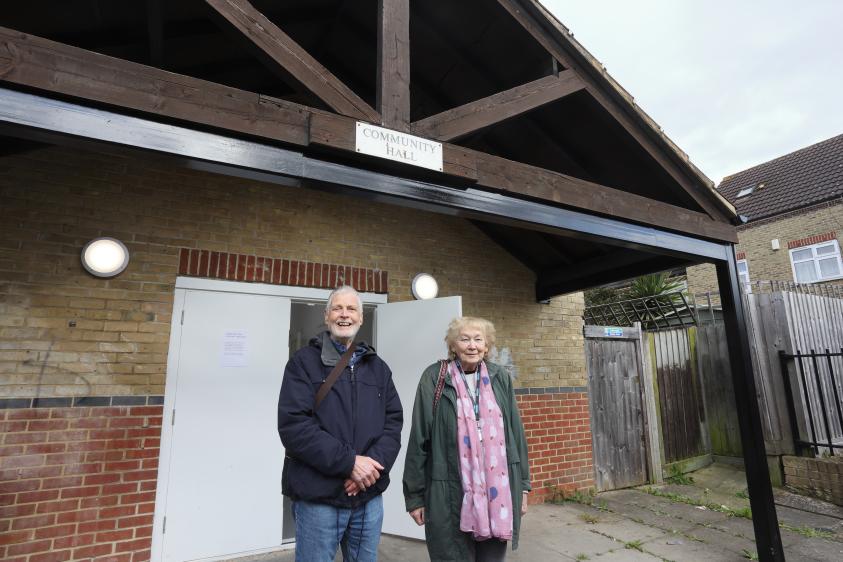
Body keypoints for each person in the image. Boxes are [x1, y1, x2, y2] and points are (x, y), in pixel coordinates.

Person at [278, 285, 403, 562]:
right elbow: (294, 427)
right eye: (337, 308)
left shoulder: (378, 367)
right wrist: (350, 463)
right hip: (318, 498)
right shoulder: (302, 364)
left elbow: (393, 424)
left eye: (351, 309)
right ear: (326, 316)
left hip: (368, 497)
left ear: (361, 318)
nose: (344, 315)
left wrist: (368, 470)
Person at [403, 316, 531, 562]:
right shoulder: (434, 377)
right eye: (464, 339)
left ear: (486, 346)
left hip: (498, 493)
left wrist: (522, 485)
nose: (472, 345)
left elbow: (516, 433)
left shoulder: (499, 377)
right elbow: (419, 439)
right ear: (453, 346)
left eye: (478, 339)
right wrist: (415, 496)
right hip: (450, 490)